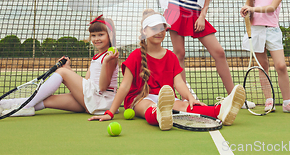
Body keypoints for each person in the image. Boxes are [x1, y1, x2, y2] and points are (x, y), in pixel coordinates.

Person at [88, 9, 246, 130]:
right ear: (144, 32)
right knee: (149, 106)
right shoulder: (136, 55)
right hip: (139, 99)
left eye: (162, 28)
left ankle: (221, 110)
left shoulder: (170, 56)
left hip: (166, 97)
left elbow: (179, 83)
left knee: (185, 106)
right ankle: (159, 115)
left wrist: (189, 97)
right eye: (154, 28)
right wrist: (110, 113)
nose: (159, 32)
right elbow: (124, 86)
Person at [0, 15, 119, 116]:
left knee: (61, 72)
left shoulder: (110, 57)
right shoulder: (97, 56)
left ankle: (23, 106)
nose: (96, 39)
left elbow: (101, 87)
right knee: (48, 100)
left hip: (100, 100)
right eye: (93, 35)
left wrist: (65, 72)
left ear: (110, 36)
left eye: (101, 34)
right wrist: (69, 70)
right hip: (93, 99)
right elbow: (87, 82)